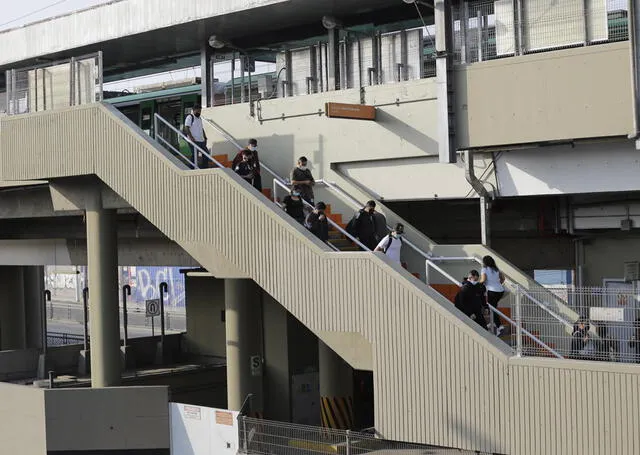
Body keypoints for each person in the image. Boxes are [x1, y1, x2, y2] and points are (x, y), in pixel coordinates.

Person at [479, 255, 506, 336]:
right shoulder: (496, 269)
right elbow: (503, 279)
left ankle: (499, 327)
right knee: (494, 307)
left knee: (492, 308)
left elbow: (483, 280)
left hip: (492, 291)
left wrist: (476, 284)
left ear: (484, 262)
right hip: (500, 290)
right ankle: (493, 322)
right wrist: (498, 284)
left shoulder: (484, 269)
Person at [183, 104, 208, 169]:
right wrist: (191, 138)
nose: (199, 112)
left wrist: (205, 137)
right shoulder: (190, 117)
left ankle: (205, 168)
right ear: (193, 110)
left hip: (201, 140)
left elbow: (201, 128)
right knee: (195, 155)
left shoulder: (200, 119)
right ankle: (191, 169)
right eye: (198, 111)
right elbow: (186, 128)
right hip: (193, 140)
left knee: (206, 154)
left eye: (200, 111)